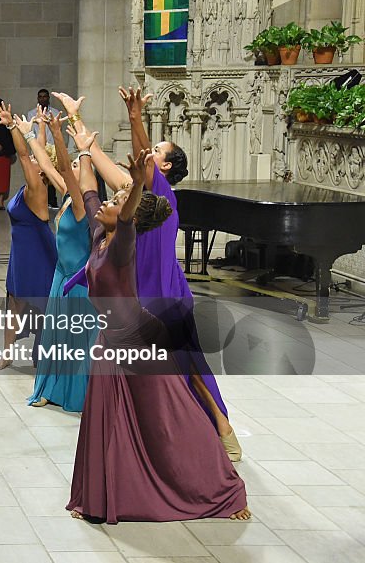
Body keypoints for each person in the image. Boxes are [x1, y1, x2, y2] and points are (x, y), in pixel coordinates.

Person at [64, 137, 249, 524]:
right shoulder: (100, 234)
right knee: (105, 418)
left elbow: (128, 213)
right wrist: (82, 147)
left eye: (116, 204)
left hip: (141, 342)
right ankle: (97, 497)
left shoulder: (122, 244)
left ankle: (223, 488)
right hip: (110, 343)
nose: (107, 205)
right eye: (112, 202)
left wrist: (132, 183)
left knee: (171, 418)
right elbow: (88, 188)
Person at [57, 89, 238, 461]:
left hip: (166, 296)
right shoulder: (134, 196)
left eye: (157, 151)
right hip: (141, 295)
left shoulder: (163, 196)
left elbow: (143, 167)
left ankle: (222, 429)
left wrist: (137, 118)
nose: (148, 154)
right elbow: (95, 158)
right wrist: (76, 120)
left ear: (166, 167)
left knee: (185, 365)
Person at [22, 110, 99, 411]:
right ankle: (49, 389)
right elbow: (46, 164)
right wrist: (29, 133)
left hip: (78, 281)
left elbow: (65, 167)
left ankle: (75, 394)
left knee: (75, 343)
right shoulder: (68, 195)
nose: (72, 168)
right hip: (60, 275)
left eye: (79, 165)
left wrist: (58, 133)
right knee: (53, 338)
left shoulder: (83, 205)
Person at [0, 103, 57, 370]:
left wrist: (11, 126)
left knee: (40, 303)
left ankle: (43, 352)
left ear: (42, 169)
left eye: (36, 160)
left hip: (37, 252)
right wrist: (40, 125)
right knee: (13, 302)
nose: (31, 159)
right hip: (20, 252)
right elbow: (36, 151)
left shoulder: (37, 189)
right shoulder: (30, 183)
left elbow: (22, 153)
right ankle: (7, 352)